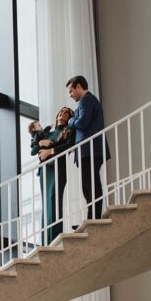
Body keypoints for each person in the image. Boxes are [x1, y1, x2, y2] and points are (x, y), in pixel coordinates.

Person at [66, 75, 111, 220]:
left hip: (91, 149)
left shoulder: (87, 100)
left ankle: (94, 216)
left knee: (91, 184)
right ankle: (92, 215)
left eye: (71, 91)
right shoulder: (86, 101)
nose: (71, 95)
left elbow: (82, 123)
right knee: (88, 185)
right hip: (88, 149)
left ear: (79, 86)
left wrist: (70, 121)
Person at [30, 107, 76, 244]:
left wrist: (50, 151)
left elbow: (69, 146)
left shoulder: (68, 131)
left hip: (58, 169)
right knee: (46, 205)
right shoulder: (48, 132)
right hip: (45, 171)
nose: (63, 114)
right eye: (61, 112)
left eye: (66, 113)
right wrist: (40, 143)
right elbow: (33, 151)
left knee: (54, 202)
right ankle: (45, 242)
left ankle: (54, 240)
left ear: (69, 118)